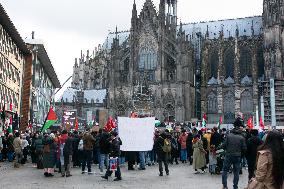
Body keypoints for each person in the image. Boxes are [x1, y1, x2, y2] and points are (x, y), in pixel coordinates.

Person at [221, 121, 247, 189]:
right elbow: (244, 148)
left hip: (228, 155)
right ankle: (235, 186)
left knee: (225, 170)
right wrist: (241, 155)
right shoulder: (242, 137)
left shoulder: (228, 136)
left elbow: (223, 145)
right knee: (236, 172)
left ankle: (225, 186)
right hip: (237, 156)